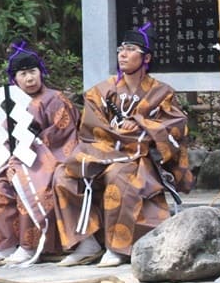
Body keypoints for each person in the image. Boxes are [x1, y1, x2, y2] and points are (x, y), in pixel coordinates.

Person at [53, 24, 194, 267]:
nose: (123, 54)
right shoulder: (101, 91)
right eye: (121, 49)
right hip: (101, 151)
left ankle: (117, 246)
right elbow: (91, 127)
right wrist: (116, 133)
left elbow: (175, 127)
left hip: (140, 158)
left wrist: (140, 123)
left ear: (146, 57)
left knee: (119, 177)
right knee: (62, 175)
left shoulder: (162, 92)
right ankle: (85, 241)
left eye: (130, 49)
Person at [0, 40, 79, 267]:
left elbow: (63, 135)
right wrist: (9, 157)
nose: (30, 78)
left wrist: (29, 151)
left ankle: (29, 245)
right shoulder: (12, 103)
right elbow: (3, 136)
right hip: (17, 160)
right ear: (15, 79)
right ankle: (5, 245)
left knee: (28, 184)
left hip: (46, 159)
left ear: (41, 72)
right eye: (23, 74)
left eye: (33, 71)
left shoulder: (55, 99)